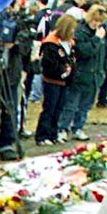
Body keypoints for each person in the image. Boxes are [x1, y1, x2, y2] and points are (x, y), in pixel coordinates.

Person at [59, 2, 107, 141]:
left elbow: (106, 51)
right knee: (71, 104)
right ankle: (62, 128)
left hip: (95, 74)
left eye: (99, 21)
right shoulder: (80, 31)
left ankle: (78, 128)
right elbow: (84, 51)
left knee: (85, 106)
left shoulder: (103, 31)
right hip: (81, 73)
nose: (96, 24)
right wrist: (96, 39)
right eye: (94, 20)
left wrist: (105, 69)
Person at [35, 14, 77, 145]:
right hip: (52, 81)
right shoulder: (51, 43)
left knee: (59, 109)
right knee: (49, 108)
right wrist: (62, 70)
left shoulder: (69, 42)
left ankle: (53, 133)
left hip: (65, 82)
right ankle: (42, 135)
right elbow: (48, 64)